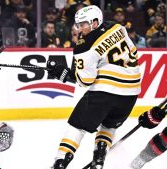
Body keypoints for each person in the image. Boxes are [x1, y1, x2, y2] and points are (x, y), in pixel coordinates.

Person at [47, 5, 141, 169]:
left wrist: (63, 74)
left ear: (96, 22)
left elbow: (85, 81)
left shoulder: (84, 46)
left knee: (77, 126)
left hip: (105, 93)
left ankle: (60, 162)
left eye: (83, 24)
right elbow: (133, 51)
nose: (79, 28)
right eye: (78, 24)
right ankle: (98, 162)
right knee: (109, 125)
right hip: (131, 94)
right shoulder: (117, 26)